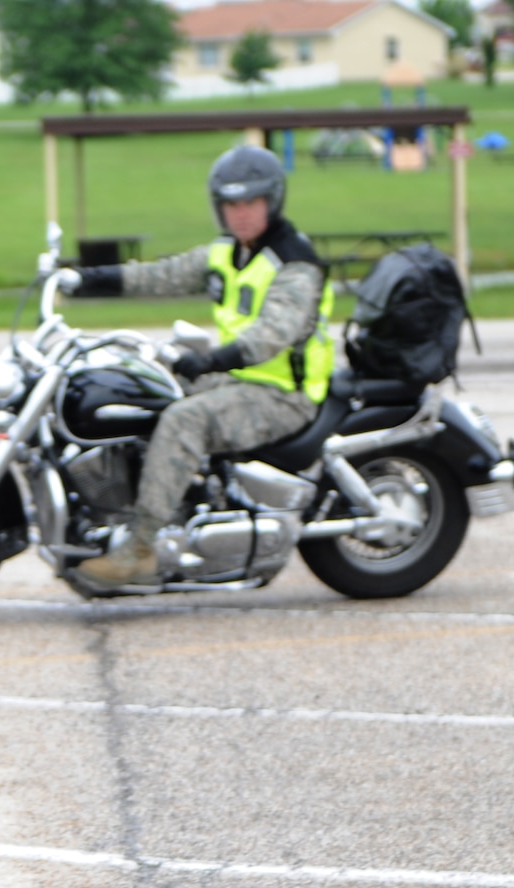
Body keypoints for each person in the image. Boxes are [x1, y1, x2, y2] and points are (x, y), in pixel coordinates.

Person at [54, 144, 334, 592]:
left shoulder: (295, 264)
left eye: (251, 203)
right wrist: (86, 279)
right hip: (236, 378)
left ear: (272, 201)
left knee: (185, 419)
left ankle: (141, 549)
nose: (241, 213)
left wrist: (209, 360)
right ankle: (139, 507)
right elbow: (163, 274)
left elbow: (270, 335)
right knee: (142, 388)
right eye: (231, 204)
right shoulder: (228, 252)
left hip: (284, 394)